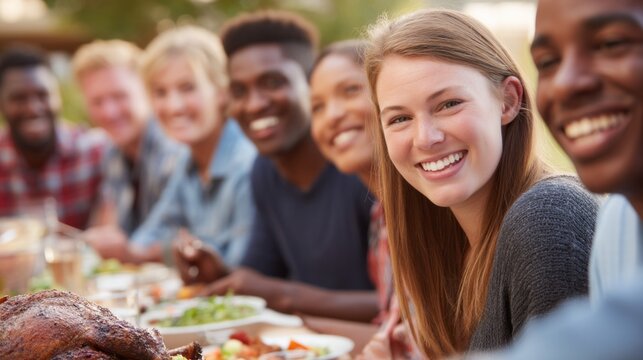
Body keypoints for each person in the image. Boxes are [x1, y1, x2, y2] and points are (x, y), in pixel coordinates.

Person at [363, 9, 599, 358]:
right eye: (399, 118)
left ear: (508, 100)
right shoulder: (446, 237)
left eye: (448, 104)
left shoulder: (548, 219)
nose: (425, 138)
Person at [464, 0, 643, 358]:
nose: (565, 84)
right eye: (547, 62)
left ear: (510, 101)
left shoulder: (549, 216)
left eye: (612, 43)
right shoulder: (619, 220)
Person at [175, 11, 377, 322]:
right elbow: (261, 277)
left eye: (272, 82)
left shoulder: (360, 168)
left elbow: (405, 309)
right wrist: (220, 275)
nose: (254, 104)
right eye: (239, 91)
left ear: (313, 86)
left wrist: (285, 295)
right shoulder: (264, 170)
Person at [137, 25, 256, 267]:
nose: (173, 106)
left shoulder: (247, 163)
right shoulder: (187, 160)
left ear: (222, 93)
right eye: (160, 92)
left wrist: (166, 252)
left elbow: (237, 267)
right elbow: (145, 239)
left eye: (187, 88)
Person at [306, 39, 395, 349]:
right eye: (317, 107)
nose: (332, 115)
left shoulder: (433, 206)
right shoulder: (380, 215)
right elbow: (393, 338)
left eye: (350, 90)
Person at [72, 39, 188, 263]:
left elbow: (190, 242)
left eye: (119, 96)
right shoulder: (113, 154)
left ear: (147, 92)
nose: (109, 112)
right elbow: (108, 227)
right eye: (97, 101)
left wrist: (128, 251)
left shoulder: (175, 150)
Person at [0, 45, 106, 229]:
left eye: (43, 95)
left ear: (58, 97)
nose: (33, 108)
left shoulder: (95, 152)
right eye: (19, 98)